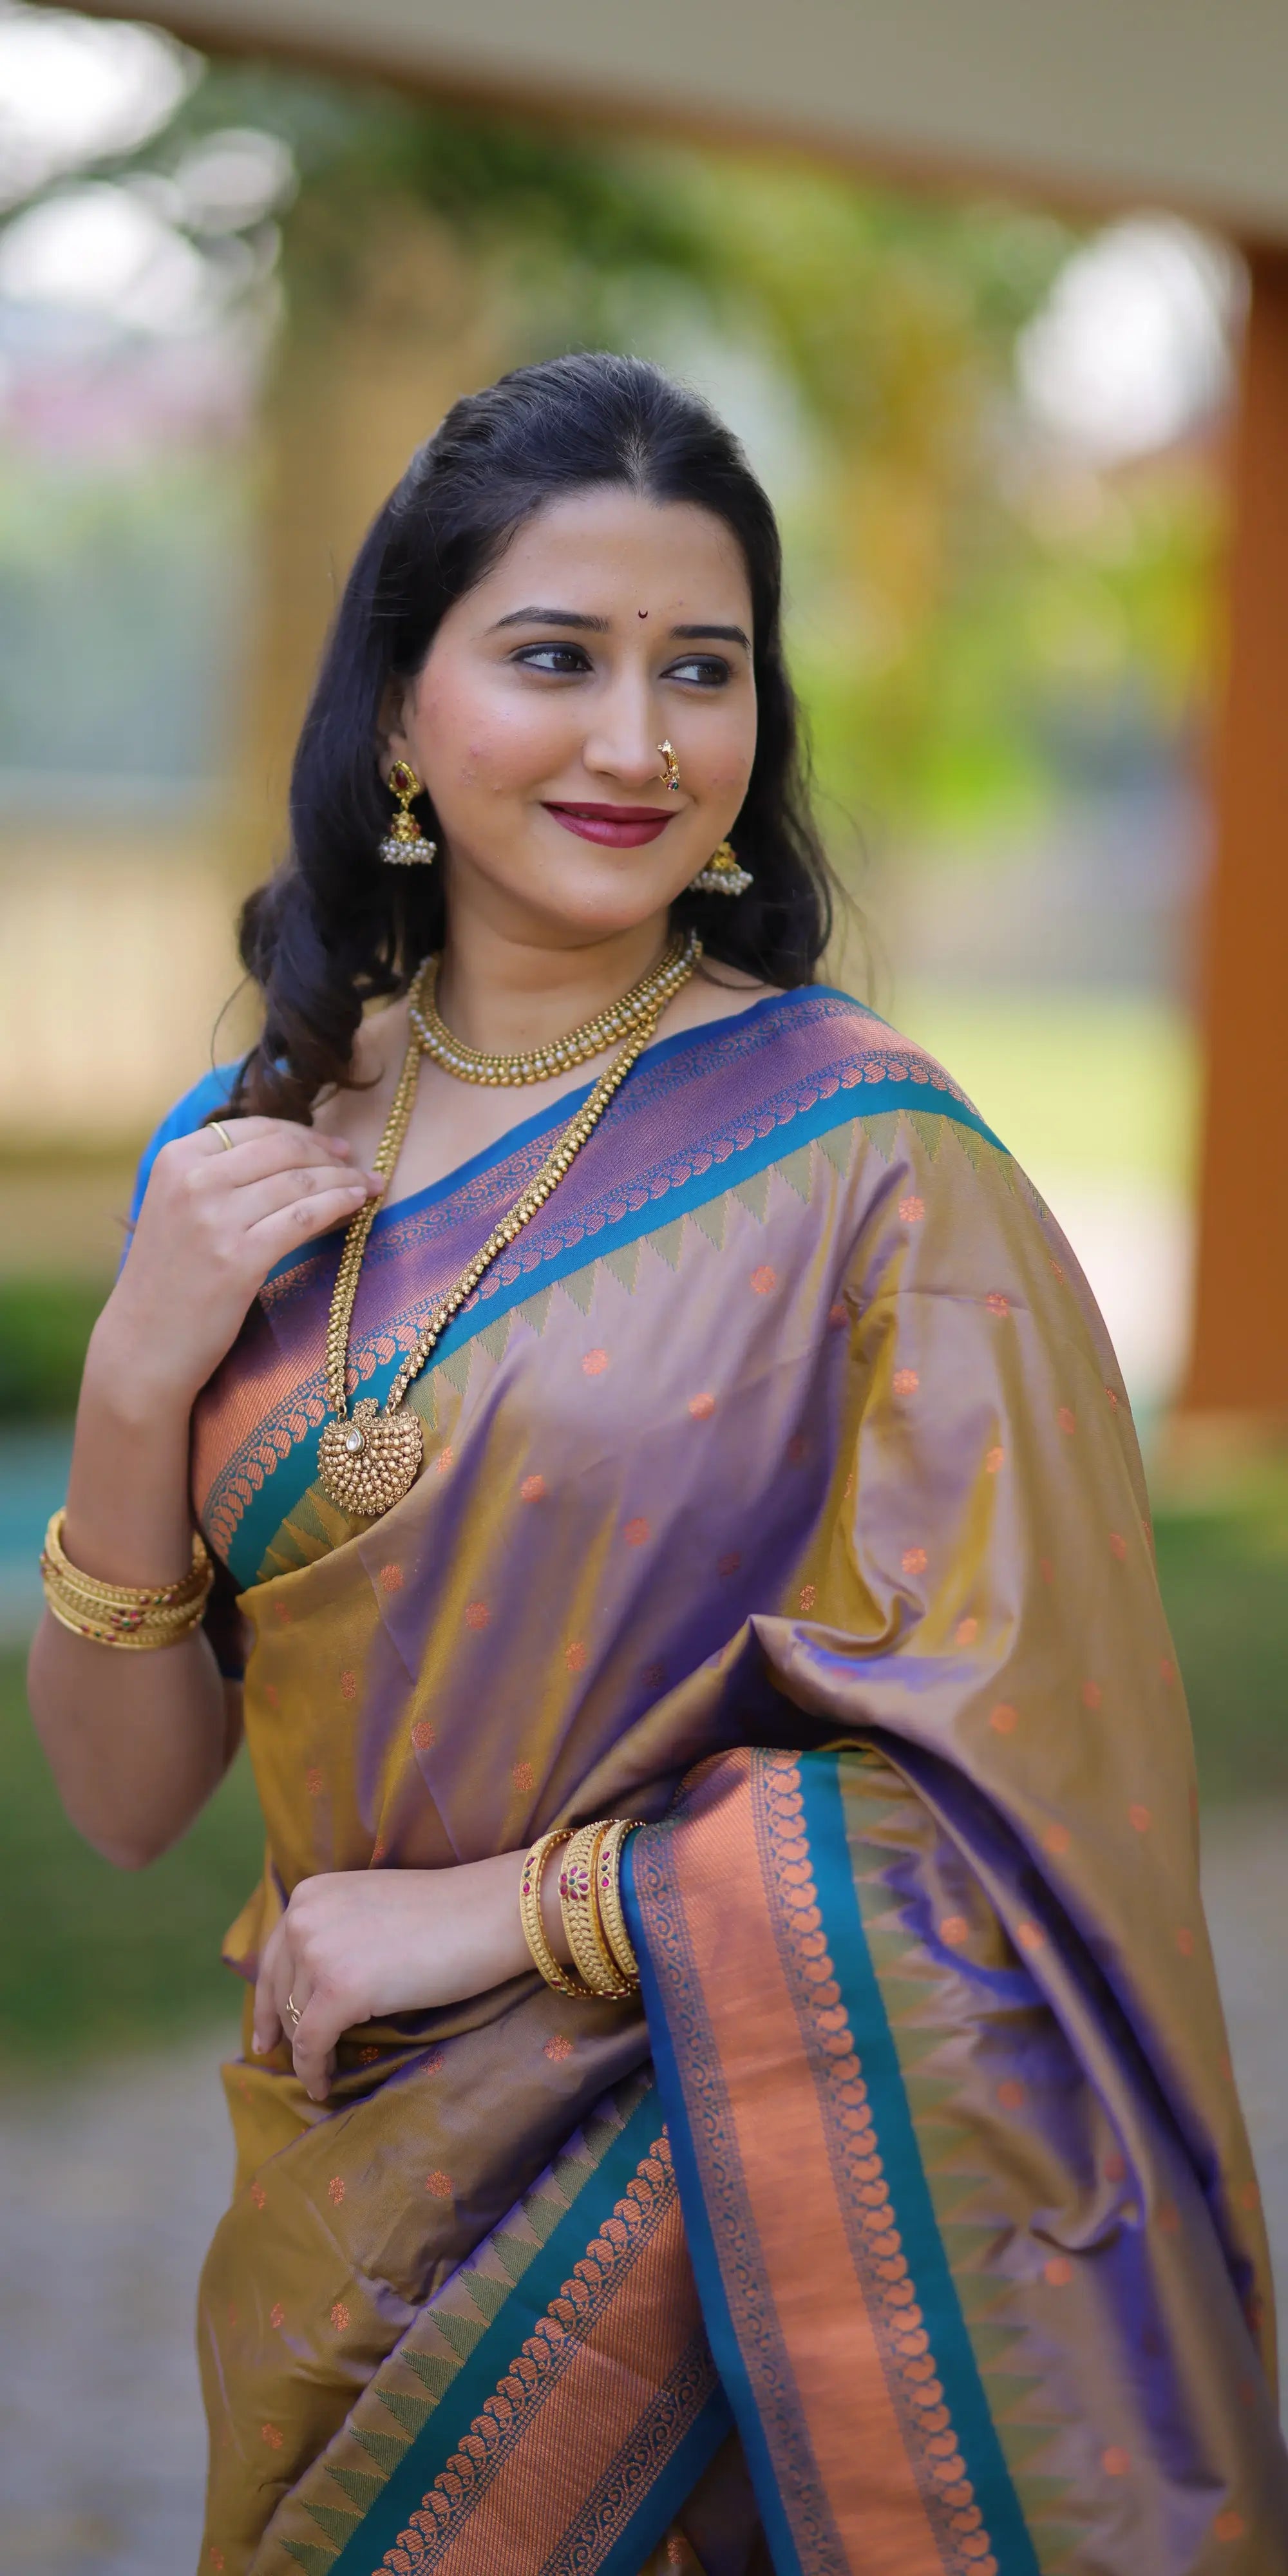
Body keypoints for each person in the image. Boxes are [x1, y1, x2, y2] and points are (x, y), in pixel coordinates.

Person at [28, 353, 1287, 2576]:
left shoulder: (874, 1167)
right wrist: (138, 1381)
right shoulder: (243, 1157)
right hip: (348, 2219)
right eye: (554, 660)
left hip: (725, 2227)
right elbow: (131, 1807)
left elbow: (1020, 1795)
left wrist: (512, 1913)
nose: (637, 743)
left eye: (699, 672)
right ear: (404, 717)